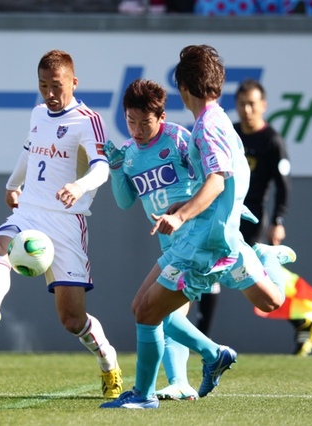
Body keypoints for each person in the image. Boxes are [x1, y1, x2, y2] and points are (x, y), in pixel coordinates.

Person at [101, 45, 291, 409]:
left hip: (204, 241)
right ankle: (265, 261)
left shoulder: (203, 128)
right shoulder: (217, 121)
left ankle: (146, 394)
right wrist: (185, 206)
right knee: (271, 301)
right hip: (209, 234)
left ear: (184, 87)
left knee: (148, 312)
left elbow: (218, 179)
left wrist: (181, 215)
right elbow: (227, 176)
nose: (137, 129)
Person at [0, 49, 123, 399]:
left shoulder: (88, 120)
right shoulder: (37, 113)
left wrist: (79, 186)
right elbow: (29, 150)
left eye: (56, 85)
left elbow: (102, 167)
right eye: (43, 85)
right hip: (30, 212)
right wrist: (12, 184)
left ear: (74, 82)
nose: (49, 93)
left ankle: (108, 361)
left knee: (72, 321)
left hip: (66, 222)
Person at [233, 78, 312, 356]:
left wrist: (278, 221)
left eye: (252, 104)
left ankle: (309, 309)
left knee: (233, 270)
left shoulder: (271, 140)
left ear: (263, 105)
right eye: (242, 104)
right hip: (227, 213)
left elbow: (283, 185)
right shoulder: (231, 133)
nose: (247, 110)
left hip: (252, 218)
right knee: (238, 271)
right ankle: (302, 317)